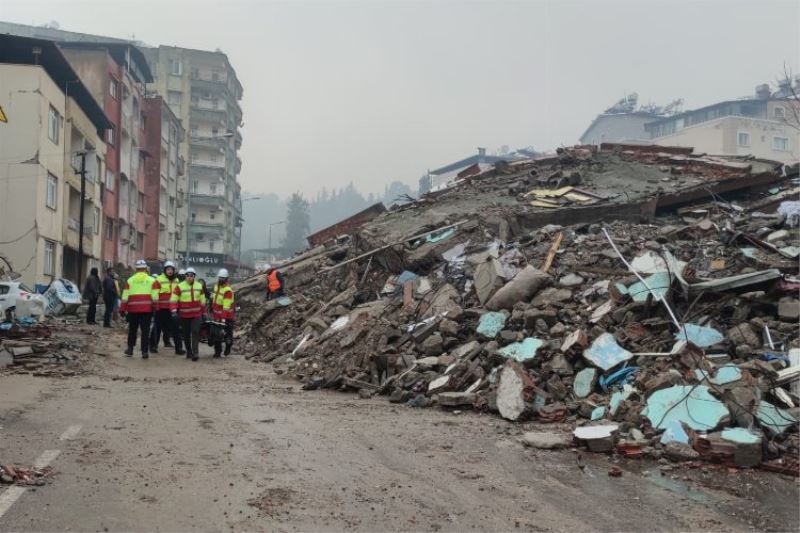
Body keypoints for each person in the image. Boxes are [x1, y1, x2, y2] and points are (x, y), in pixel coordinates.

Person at [120, 260, 158, 359]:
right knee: (145, 331)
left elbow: (125, 297)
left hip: (133, 310)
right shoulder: (152, 280)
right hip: (147, 310)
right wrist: (155, 308)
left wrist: (122, 309)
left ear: (136, 269)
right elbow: (155, 297)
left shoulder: (130, 280)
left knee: (132, 330)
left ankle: (130, 349)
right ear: (146, 268)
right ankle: (144, 352)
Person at [171, 267, 206, 361]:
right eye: (187, 275)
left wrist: (204, 312)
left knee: (195, 332)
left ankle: (195, 353)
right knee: (186, 334)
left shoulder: (199, 286)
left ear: (194, 276)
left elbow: (203, 301)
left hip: (196, 315)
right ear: (185, 276)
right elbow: (173, 299)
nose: (189, 277)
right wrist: (173, 311)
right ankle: (189, 352)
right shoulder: (179, 286)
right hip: (184, 315)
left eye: (191, 275)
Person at [149, 260, 183, 354]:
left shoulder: (176, 280)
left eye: (171, 269)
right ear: (165, 270)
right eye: (168, 269)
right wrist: (156, 306)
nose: (170, 271)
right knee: (157, 328)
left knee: (175, 328)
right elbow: (154, 294)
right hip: (161, 309)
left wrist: (178, 307)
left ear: (174, 270)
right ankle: (153, 346)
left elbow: (178, 294)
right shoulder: (159, 279)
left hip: (172, 309)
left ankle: (178, 348)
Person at [210, 268, 235, 357]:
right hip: (217, 315)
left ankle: (228, 346)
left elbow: (226, 306)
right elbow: (213, 298)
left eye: (222, 278)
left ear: (226, 279)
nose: (220, 280)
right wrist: (211, 307)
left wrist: (223, 318)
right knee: (217, 334)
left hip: (227, 316)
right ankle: (217, 351)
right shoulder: (216, 286)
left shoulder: (228, 290)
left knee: (228, 334)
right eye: (220, 278)